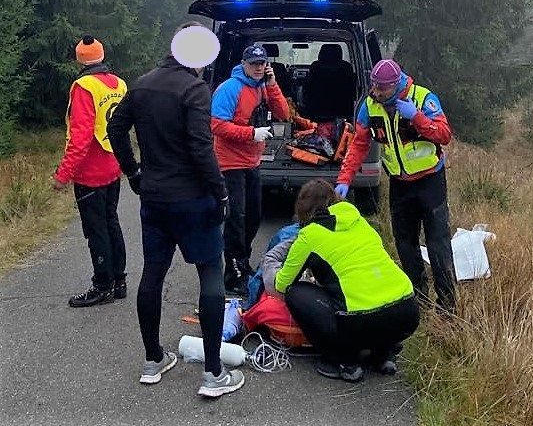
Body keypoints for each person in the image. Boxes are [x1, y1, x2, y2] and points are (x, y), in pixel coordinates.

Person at [107, 22, 244, 397]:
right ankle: (213, 374)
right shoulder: (195, 89)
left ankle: (153, 359)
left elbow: (115, 129)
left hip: (154, 198)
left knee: (153, 272)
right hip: (194, 199)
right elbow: (202, 148)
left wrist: (133, 172)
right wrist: (222, 194)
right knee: (211, 273)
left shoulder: (142, 84)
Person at [335, 59, 456, 312]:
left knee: (437, 243)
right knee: (405, 243)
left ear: (396, 84)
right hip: (399, 183)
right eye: (374, 86)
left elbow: (444, 135)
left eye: (382, 88)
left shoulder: (422, 98)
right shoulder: (369, 105)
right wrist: (344, 180)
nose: (377, 93)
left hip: (430, 180)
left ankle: (447, 307)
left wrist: (417, 118)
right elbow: (359, 144)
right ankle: (418, 301)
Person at [274, 179, 419, 381]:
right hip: (408, 312)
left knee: (294, 292)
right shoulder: (358, 220)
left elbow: (282, 284)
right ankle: (383, 354)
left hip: (360, 321)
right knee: (368, 294)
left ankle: (344, 361)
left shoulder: (309, 235)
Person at [53, 35, 127, 308]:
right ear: (102, 55)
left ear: (79, 59)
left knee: (96, 230)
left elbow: (80, 136)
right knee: (111, 222)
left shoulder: (84, 86)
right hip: (112, 164)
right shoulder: (118, 83)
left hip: (90, 172)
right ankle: (119, 282)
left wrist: (63, 174)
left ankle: (102, 286)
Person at [211, 44, 290, 295]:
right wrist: (250, 133)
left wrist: (273, 84)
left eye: (262, 64)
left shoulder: (263, 87)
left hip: (252, 162)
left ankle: (242, 262)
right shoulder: (229, 89)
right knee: (236, 221)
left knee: (253, 218)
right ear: (244, 64)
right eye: (254, 64)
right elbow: (217, 125)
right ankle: (234, 275)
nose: (258, 68)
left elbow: (283, 113)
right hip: (230, 164)